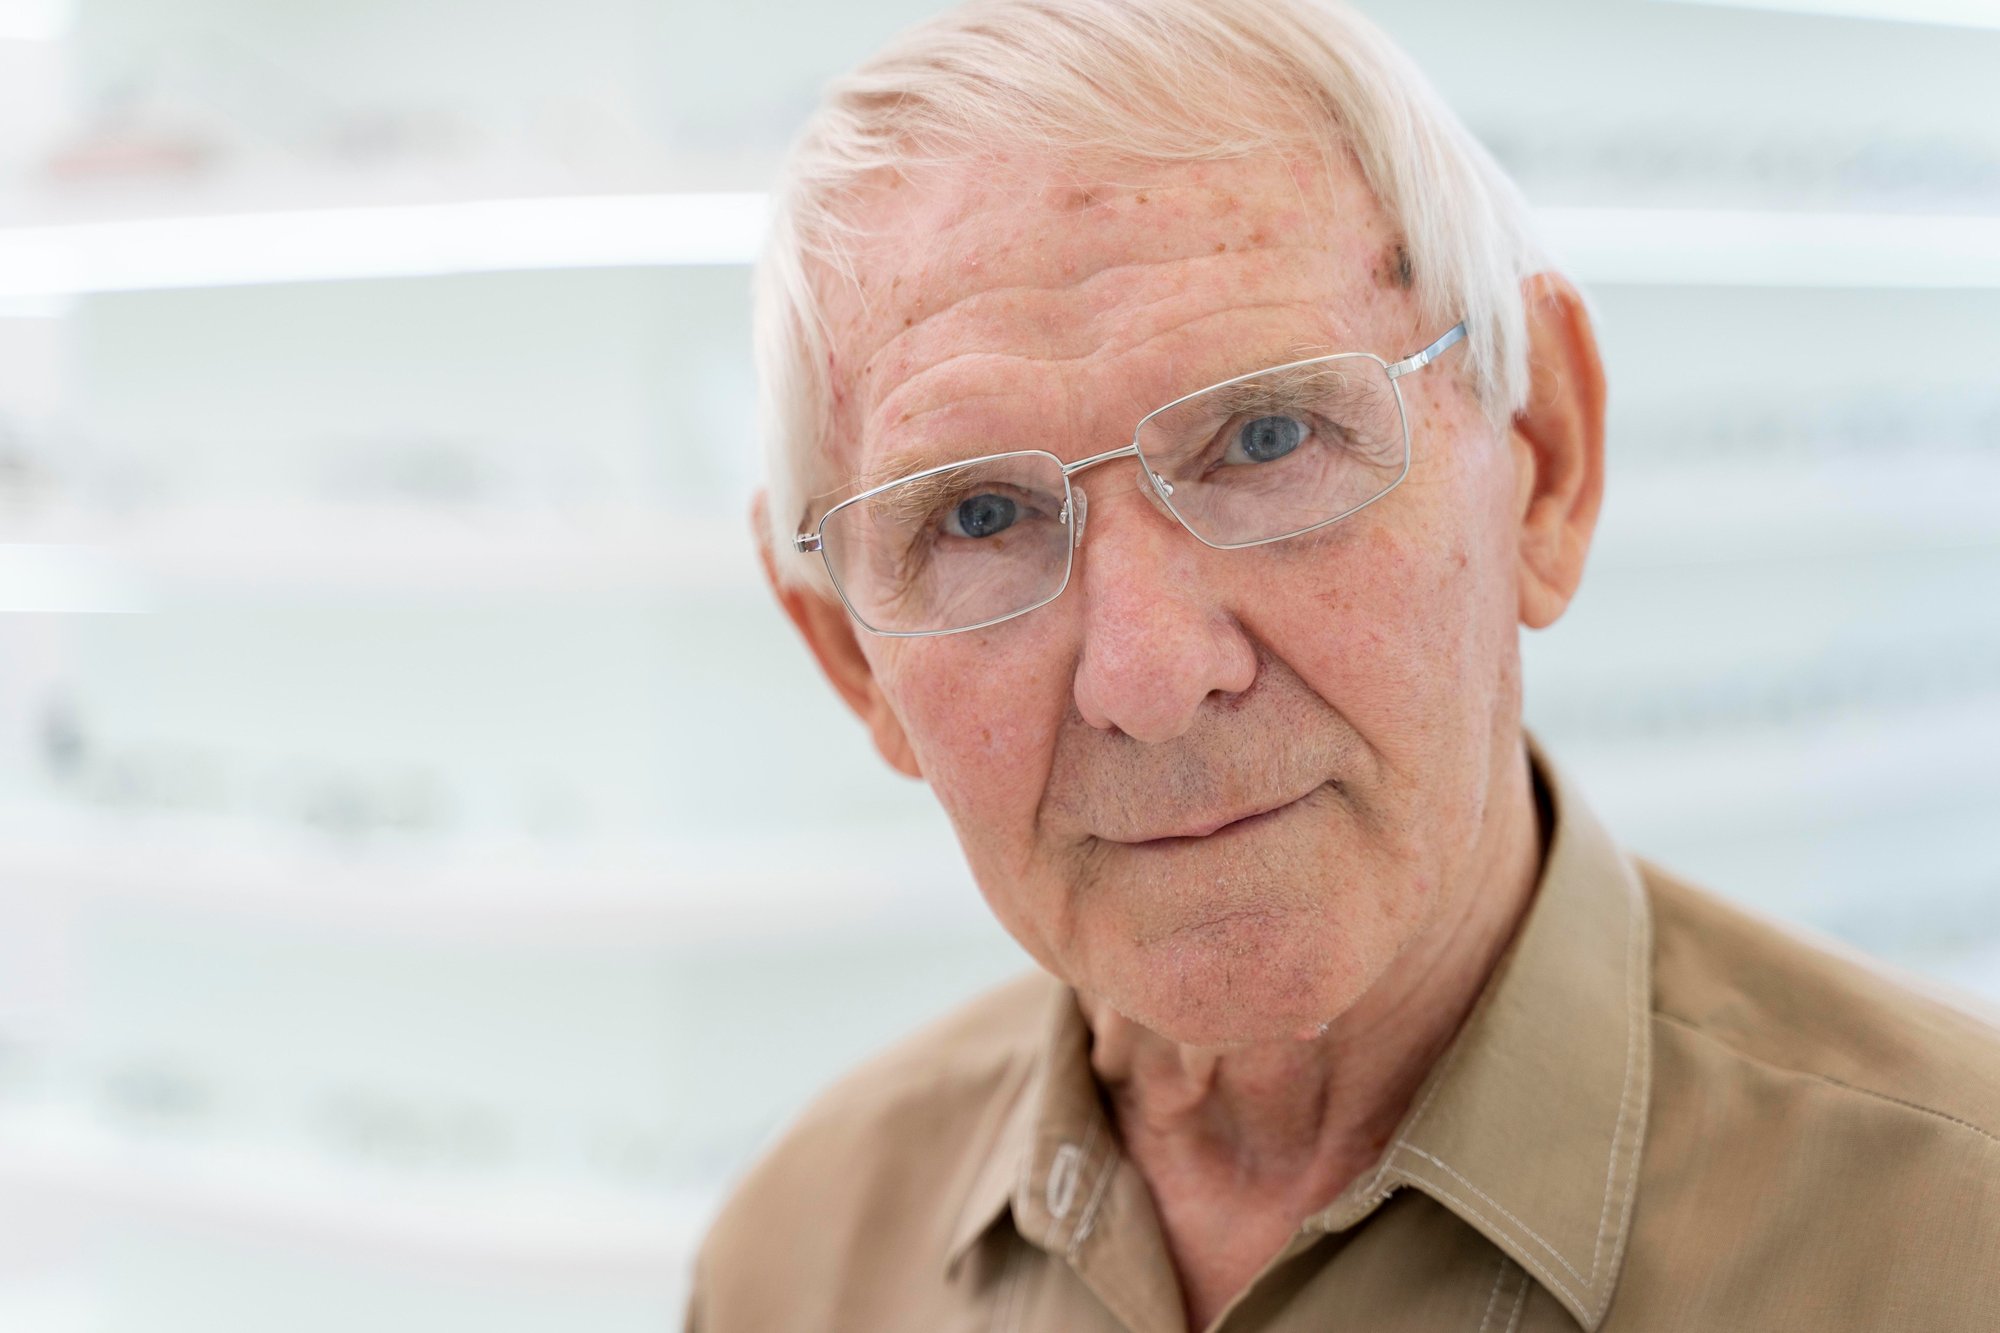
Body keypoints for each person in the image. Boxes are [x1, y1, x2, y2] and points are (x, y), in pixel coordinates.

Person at [685, 1, 2000, 1328]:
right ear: (851, 654)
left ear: (1542, 457)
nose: (1148, 674)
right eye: (980, 517)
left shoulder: (1960, 1237)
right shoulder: (798, 1263)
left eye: (1265, 437)